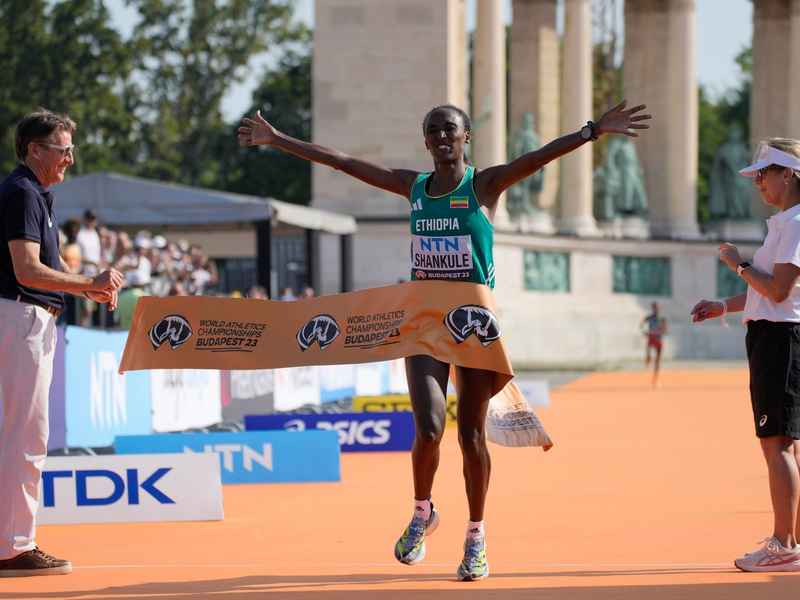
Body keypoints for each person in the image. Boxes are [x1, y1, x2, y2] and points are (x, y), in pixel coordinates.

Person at [239, 99, 650, 580]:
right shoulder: (413, 187)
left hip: (473, 324)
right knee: (430, 430)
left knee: (472, 437)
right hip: (424, 324)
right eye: (432, 130)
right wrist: (278, 139)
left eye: (448, 129)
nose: (439, 137)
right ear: (425, 138)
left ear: (466, 136)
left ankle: (476, 536)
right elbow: (342, 162)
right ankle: (422, 514)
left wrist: (592, 131)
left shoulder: (484, 185)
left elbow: (537, 158)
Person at [0, 109, 122, 577]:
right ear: (35, 149)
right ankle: (14, 546)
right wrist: (86, 280)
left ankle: (11, 541)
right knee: (26, 439)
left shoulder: (32, 193)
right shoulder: (24, 192)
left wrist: (84, 287)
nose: (70, 158)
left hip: (24, 316)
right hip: (22, 317)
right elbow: (27, 271)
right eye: (63, 148)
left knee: (19, 437)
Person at [691, 138, 800, 572]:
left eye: (764, 172)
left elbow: (778, 290)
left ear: (788, 174)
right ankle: (789, 542)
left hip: (781, 340)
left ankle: (784, 545)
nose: (757, 181)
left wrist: (736, 263)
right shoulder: (784, 222)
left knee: (776, 445)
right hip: (773, 336)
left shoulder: (794, 223)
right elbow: (767, 290)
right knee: (782, 445)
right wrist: (724, 305)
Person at [642, 301, 668, 388]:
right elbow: (641, 325)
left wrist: (662, 329)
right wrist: (644, 332)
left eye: (658, 307)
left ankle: (656, 379)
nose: (656, 309)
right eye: (655, 307)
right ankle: (648, 358)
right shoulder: (649, 318)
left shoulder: (663, 318)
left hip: (659, 340)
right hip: (651, 339)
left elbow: (666, 330)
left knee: (657, 361)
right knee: (650, 356)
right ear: (652, 308)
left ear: (660, 309)